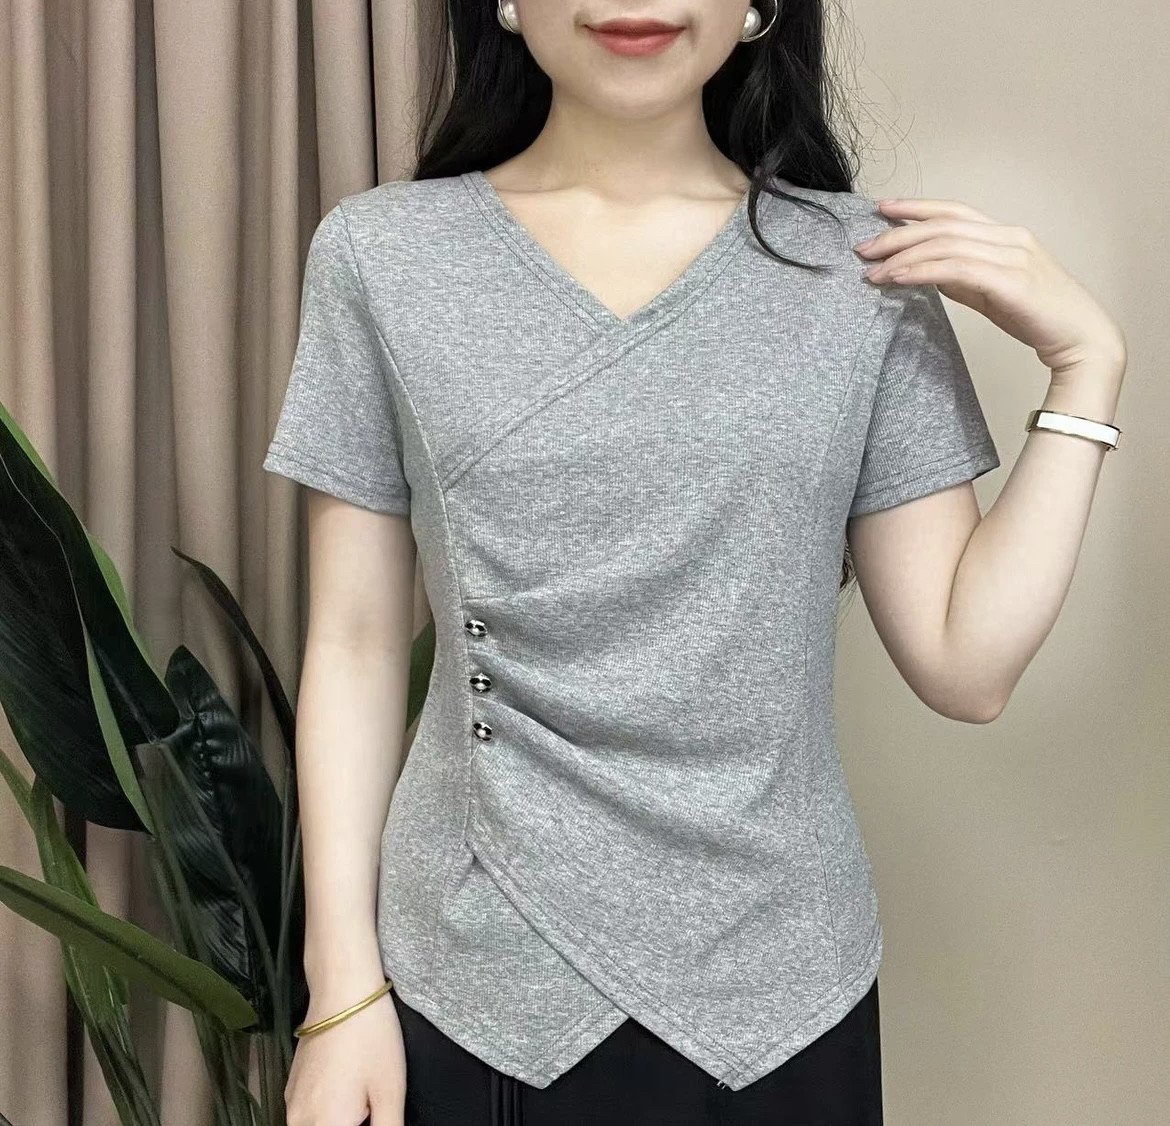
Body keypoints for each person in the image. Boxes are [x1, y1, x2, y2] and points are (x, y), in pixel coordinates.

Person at [263, 2, 1128, 1123]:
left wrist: (1085, 368)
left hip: (783, 990)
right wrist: (340, 993)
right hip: (477, 986)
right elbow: (355, 640)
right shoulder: (384, 256)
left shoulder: (863, 269)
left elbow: (967, 666)